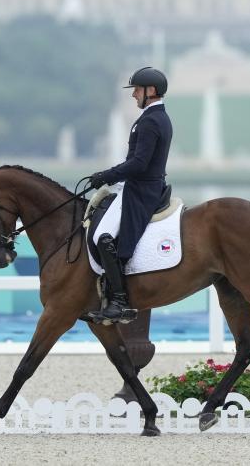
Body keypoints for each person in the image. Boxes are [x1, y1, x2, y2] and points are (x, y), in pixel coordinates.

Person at [87, 66, 173, 323]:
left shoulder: (151, 121)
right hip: (139, 186)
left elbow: (138, 164)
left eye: (137, 89)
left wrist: (107, 175)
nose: (133, 94)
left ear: (151, 91)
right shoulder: (156, 117)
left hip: (142, 190)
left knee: (104, 237)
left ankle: (119, 302)